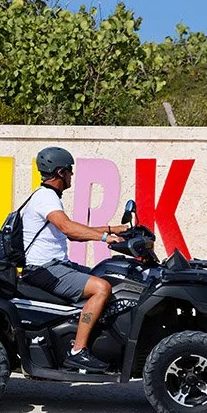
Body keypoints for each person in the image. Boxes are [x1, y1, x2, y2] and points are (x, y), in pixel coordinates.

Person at [19, 146, 128, 372]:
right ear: (60, 173)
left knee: (106, 273)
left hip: (56, 266)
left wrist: (114, 229)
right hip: (44, 270)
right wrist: (105, 237)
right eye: (69, 171)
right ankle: (78, 351)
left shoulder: (47, 198)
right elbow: (68, 229)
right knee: (102, 288)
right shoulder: (45, 198)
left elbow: (75, 232)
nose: (71, 175)